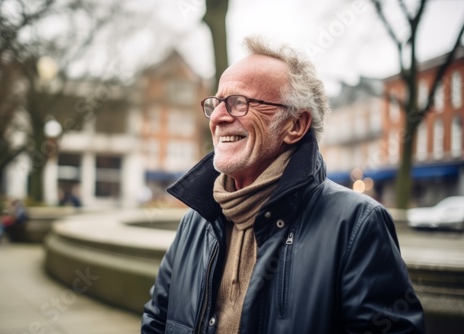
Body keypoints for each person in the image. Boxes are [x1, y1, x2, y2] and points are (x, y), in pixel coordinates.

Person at [141, 36, 425, 334]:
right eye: (217, 103)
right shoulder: (195, 222)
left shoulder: (356, 224)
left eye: (239, 102)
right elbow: (156, 321)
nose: (219, 117)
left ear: (295, 125)